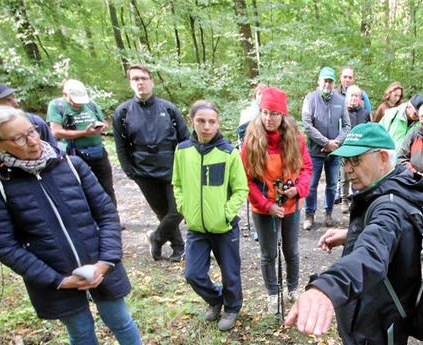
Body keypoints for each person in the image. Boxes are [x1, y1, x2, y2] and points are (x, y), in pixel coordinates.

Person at [0, 106, 150, 345]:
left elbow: (106, 215)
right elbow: (3, 244)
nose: (32, 141)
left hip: (99, 262)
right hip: (54, 275)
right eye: (18, 138)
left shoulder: (72, 164)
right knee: (80, 328)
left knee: (119, 318)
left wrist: (105, 261)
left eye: (31, 131)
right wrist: (58, 280)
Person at [285, 123, 423, 345]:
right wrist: (349, 235)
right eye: (344, 162)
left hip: (373, 324)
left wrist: (327, 287)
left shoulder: (388, 206)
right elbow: (388, 238)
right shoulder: (398, 187)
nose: (348, 170)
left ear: (383, 157)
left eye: (356, 160)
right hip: (394, 319)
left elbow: (372, 254)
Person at [173, 100, 248, 331]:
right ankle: (216, 300)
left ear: (218, 123)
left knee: (230, 272)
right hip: (196, 227)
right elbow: (177, 184)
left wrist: (225, 213)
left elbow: (241, 189)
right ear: (192, 122)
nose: (206, 126)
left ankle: (232, 308)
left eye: (211, 122)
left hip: (224, 228)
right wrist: (184, 207)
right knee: (192, 273)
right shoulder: (182, 150)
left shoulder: (228, 153)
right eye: (201, 121)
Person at [241, 87, 312, 313]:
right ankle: (273, 293)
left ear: (283, 115)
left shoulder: (296, 139)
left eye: (274, 113)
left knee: (291, 251)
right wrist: (267, 205)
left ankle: (292, 289)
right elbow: (246, 178)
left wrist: (298, 190)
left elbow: (307, 168)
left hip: (291, 205)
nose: (268, 118)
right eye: (264, 112)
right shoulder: (251, 141)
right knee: (268, 253)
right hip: (264, 208)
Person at [113, 64, 190, 261]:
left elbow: (185, 139)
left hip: (173, 168)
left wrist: (188, 165)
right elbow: (121, 145)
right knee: (162, 212)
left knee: (178, 209)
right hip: (143, 171)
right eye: (135, 79)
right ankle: (178, 247)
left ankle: (155, 237)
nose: (140, 82)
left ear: (151, 81)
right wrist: (129, 170)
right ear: (130, 83)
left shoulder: (169, 109)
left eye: (143, 78)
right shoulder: (123, 112)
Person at [47, 79, 117, 206]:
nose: (78, 104)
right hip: (73, 154)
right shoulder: (56, 106)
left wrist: (101, 127)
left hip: (98, 152)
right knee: (80, 189)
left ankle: (113, 219)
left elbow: (103, 122)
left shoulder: (91, 105)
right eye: (75, 101)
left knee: (106, 187)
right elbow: (56, 132)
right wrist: (84, 133)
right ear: (64, 94)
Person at [301, 66, 351, 230]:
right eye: (325, 80)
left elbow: (347, 125)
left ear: (333, 82)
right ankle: (309, 214)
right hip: (314, 151)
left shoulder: (340, 101)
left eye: (330, 81)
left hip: (335, 151)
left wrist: (335, 143)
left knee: (331, 184)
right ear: (319, 81)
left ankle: (329, 213)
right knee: (311, 184)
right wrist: (325, 142)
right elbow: (307, 125)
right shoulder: (310, 98)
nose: (327, 84)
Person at [339, 85, 371, 212]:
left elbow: (368, 131)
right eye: (351, 95)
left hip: (360, 150)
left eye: (356, 96)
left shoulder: (365, 113)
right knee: (344, 177)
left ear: (360, 98)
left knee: (359, 175)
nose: (353, 98)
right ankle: (344, 200)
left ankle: (357, 199)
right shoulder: (342, 112)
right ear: (347, 97)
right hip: (345, 149)